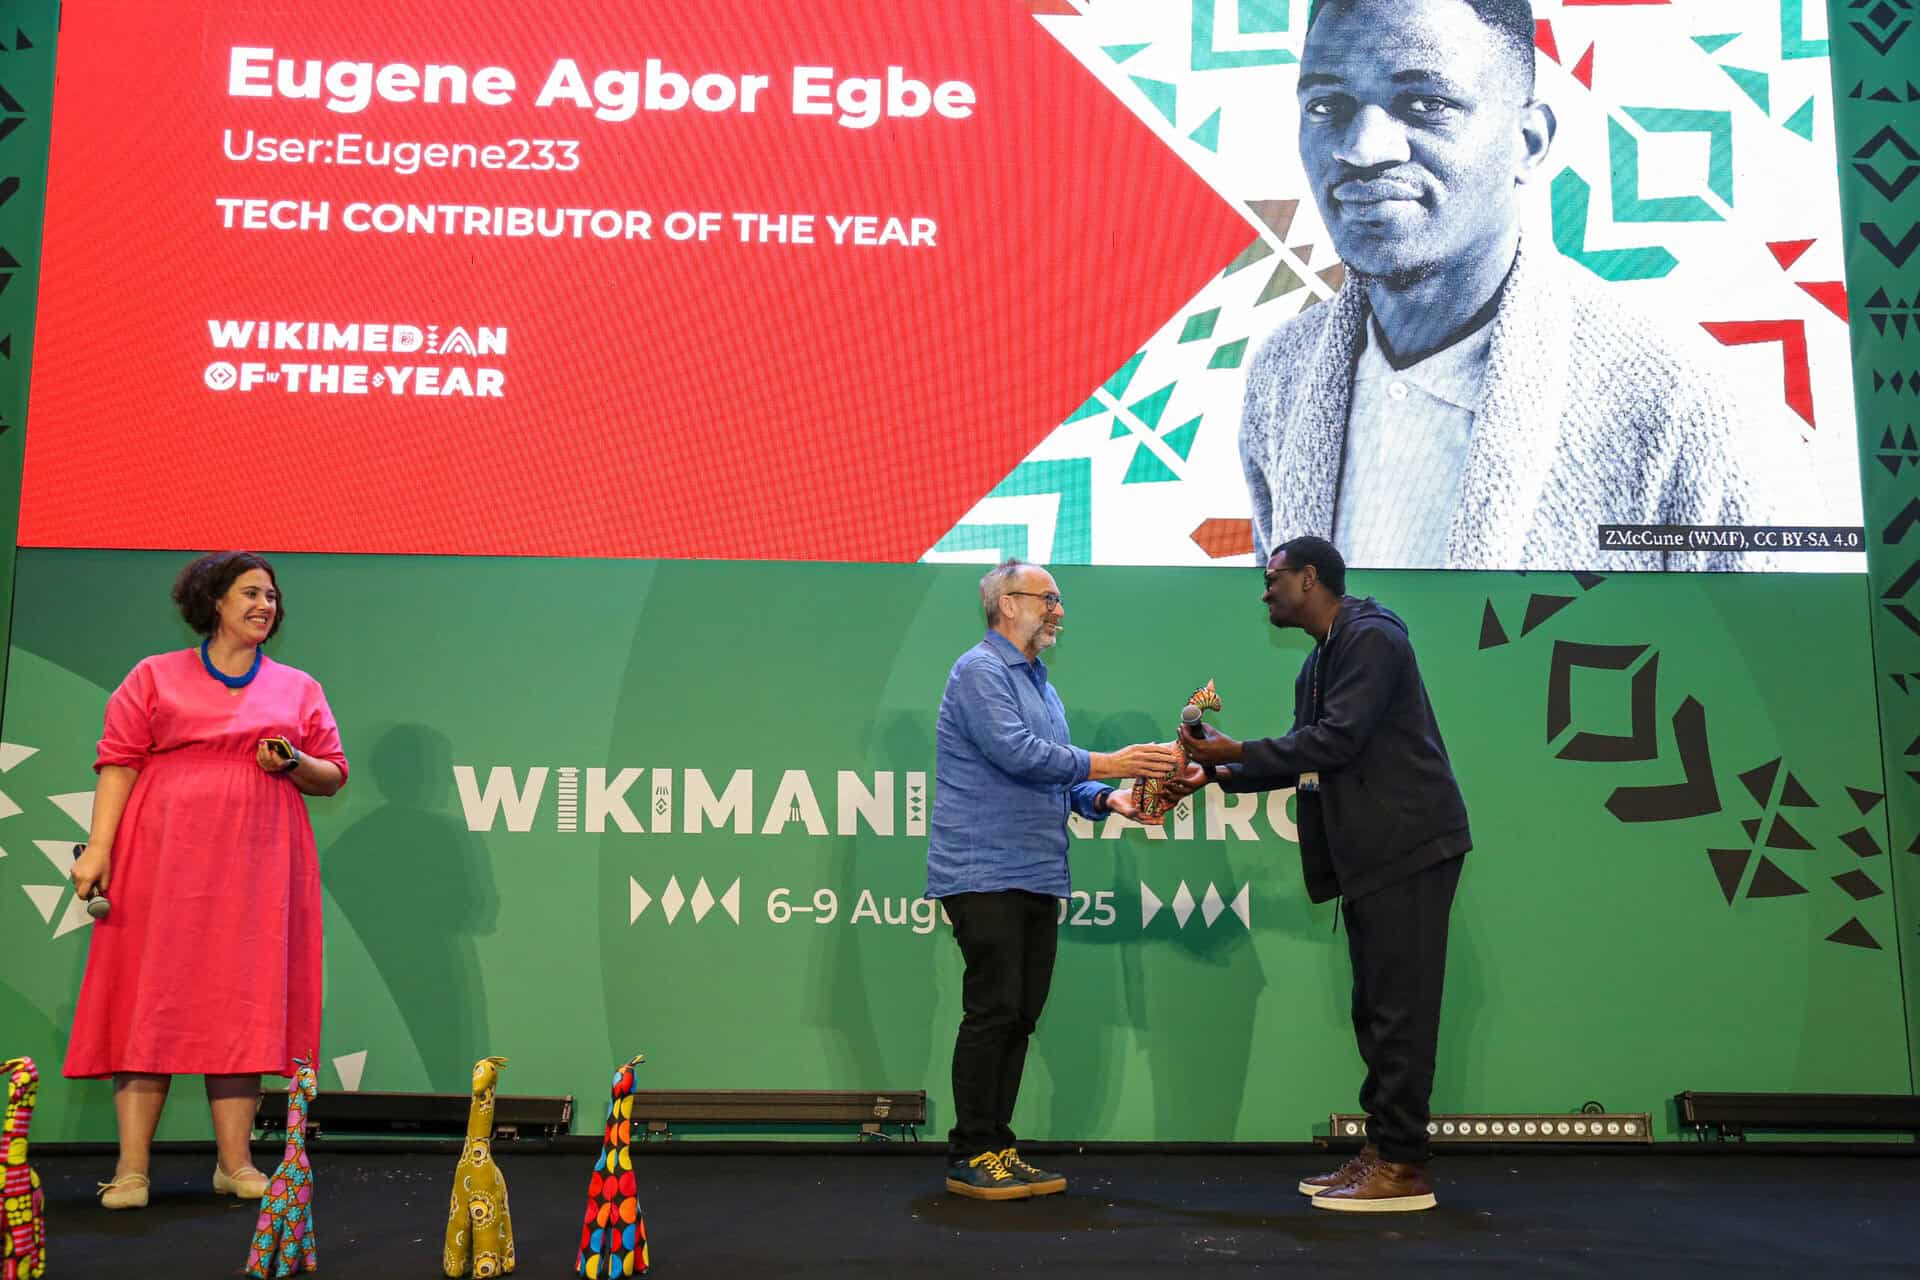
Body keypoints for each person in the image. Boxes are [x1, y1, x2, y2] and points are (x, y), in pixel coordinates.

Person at [1241, 0, 1785, 572]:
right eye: (1327, 105)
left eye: (1427, 104)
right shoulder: (1283, 374)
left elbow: (1772, 653)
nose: (1362, 148)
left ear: (1529, 142)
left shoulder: (1683, 402)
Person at [1168, 536, 1468, 1211]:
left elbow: (1338, 741)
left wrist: (1234, 747)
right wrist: (1209, 775)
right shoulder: (1317, 663)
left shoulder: (1372, 638)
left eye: (1272, 578)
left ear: (1309, 577)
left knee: (1400, 1013)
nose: (1264, 591)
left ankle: (1402, 1165)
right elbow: (1302, 761)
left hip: (1410, 848)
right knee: (1375, 1010)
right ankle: (1383, 1149)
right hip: (1370, 858)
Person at [66, 551, 349, 1211]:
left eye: (272, 597)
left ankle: (235, 1164)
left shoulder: (297, 687)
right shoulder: (153, 676)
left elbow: (332, 774)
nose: (264, 606)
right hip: (163, 857)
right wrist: (98, 849)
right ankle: (132, 1170)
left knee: (240, 999)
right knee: (148, 999)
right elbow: (118, 763)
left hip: (259, 863)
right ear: (214, 602)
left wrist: (294, 761)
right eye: (251, 593)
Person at [927, 559, 1178, 1200]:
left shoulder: (1040, 682)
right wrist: (1111, 761)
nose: (1059, 610)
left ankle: (997, 1147)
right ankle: (971, 1151)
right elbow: (1016, 753)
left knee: (1020, 1013)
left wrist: (1106, 798)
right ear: (1008, 604)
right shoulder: (979, 671)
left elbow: (1056, 772)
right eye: (1050, 598)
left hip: (1037, 874)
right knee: (993, 1010)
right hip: (984, 873)